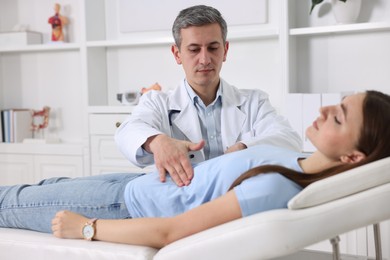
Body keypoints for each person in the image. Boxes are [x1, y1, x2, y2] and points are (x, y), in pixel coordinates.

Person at [1, 90, 389, 249]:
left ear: (353, 158)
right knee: (44, 186)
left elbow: (171, 231)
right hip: (140, 185)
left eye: (338, 118)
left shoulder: (277, 187)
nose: (323, 111)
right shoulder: (296, 162)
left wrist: (86, 228)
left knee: (11, 203)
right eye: (334, 104)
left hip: (123, 208)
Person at [115, 5, 301, 187]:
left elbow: (289, 140)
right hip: (182, 199)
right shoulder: (157, 102)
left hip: (236, 197)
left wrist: (244, 148)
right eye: (194, 49)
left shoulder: (254, 101)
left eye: (213, 48)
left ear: (225, 50)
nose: (204, 59)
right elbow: (128, 131)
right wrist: (158, 142)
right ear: (177, 54)